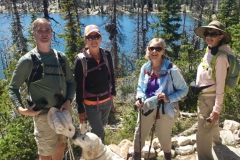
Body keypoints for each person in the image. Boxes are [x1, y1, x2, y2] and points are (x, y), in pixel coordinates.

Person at [8, 18, 76, 160]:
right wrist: (21, 110)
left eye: (47, 30)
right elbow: (13, 88)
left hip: (63, 112)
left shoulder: (61, 58)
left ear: (51, 33)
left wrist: (68, 100)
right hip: (43, 115)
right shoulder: (28, 60)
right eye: (40, 30)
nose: (44, 33)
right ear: (34, 34)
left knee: (61, 145)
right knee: (45, 154)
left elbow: (71, 82)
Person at [133, 38, 188, 160]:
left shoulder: (171, 69)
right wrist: (139, 99)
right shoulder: (145, 68)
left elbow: (184, 90)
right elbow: (140, 88)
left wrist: (168, 98)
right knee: (139, 136)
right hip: (147, 106)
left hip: (166, 108)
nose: (154, 51)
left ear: (163, 51)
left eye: (157, 48)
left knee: (164, 137)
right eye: (151, 48)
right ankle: (136, 157)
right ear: (148, 50)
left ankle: (167, 157)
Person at [194, 21, 234, 160]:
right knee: (212, 125)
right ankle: (218, 145)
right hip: (205, 97)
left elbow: (220, 86)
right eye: (207, 33)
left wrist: (216, 110)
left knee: (203, 132)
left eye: (213, 34)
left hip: (209, 99)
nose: (209, 36)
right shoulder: (210, 50)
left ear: (220, 36)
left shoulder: (221, 58)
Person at [74, 24, 116, 144]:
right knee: (99, 134)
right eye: (90, 37)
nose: (94, 40)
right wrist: (80, 109)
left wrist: (113, 92)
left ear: (100, 38)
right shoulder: (81, 60)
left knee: (99, 129)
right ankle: (100, 155)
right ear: (86, 40)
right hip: (91, 104)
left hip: (106, 101)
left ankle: (92, 153)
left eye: (96, 36)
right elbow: (78, 86)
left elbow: (111, 75)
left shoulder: (106, 55)